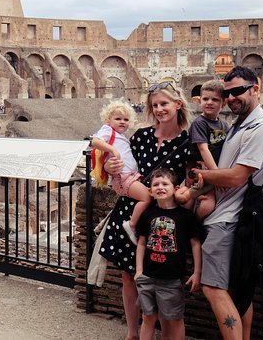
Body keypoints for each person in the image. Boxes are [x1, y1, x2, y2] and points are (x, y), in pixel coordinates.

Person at [189, 66, 263, 339]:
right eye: (227, 93)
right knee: (239, 290)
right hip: (232, 218)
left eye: (238, 91)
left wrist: (200, 175)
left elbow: (238, 176)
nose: (231, 98)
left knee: (214, 288)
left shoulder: (261, 128)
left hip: (229, 219)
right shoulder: (240, 124)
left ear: (256, 87)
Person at [100, 81, 192, 340]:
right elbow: (122, 169)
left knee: (163, 282)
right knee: (129, 277)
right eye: (155, 105)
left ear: (178, 104)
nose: (160, 109)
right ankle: (133, 333)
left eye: (164, 103)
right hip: (131, 213)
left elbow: (189, 181)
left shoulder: (187, 142)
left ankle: (163, 334)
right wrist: (110, 169)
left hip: (165, 219)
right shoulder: (140, 137)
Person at [134, 168, 202, 340]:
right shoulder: (148, 214)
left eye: (165, 183)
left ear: (176, 188)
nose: (160, 187)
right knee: (148, 317)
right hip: (147, 277)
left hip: (172, 280)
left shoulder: (186, 217)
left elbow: (195, 244)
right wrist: (139, 271)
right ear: (150, 191)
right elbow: (141, 243)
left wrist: (197, 272)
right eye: (156, 184)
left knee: (175, 319)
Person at [91, 99, 151, 241]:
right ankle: (131, 225)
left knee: (147, 196)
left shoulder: (120, 136)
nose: (122, 122)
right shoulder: (107, 130)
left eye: (126, 119)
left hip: (130, 175)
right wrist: (112, 149)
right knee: (147, 197)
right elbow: (93, 141)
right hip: (123, 177)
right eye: (118, 118)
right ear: (108, 120)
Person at [175, 80, 229, 220]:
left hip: (211, 170)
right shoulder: (200, 123)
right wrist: (218, 177)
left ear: (223, 103)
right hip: (198, 170)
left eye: (215, 99)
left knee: (207, 206)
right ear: (199, 101)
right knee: (191, 203)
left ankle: (195, 226)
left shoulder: (224, 125)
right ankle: (190, 227)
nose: (209, 102)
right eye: (205, 99)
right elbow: (203, 149)